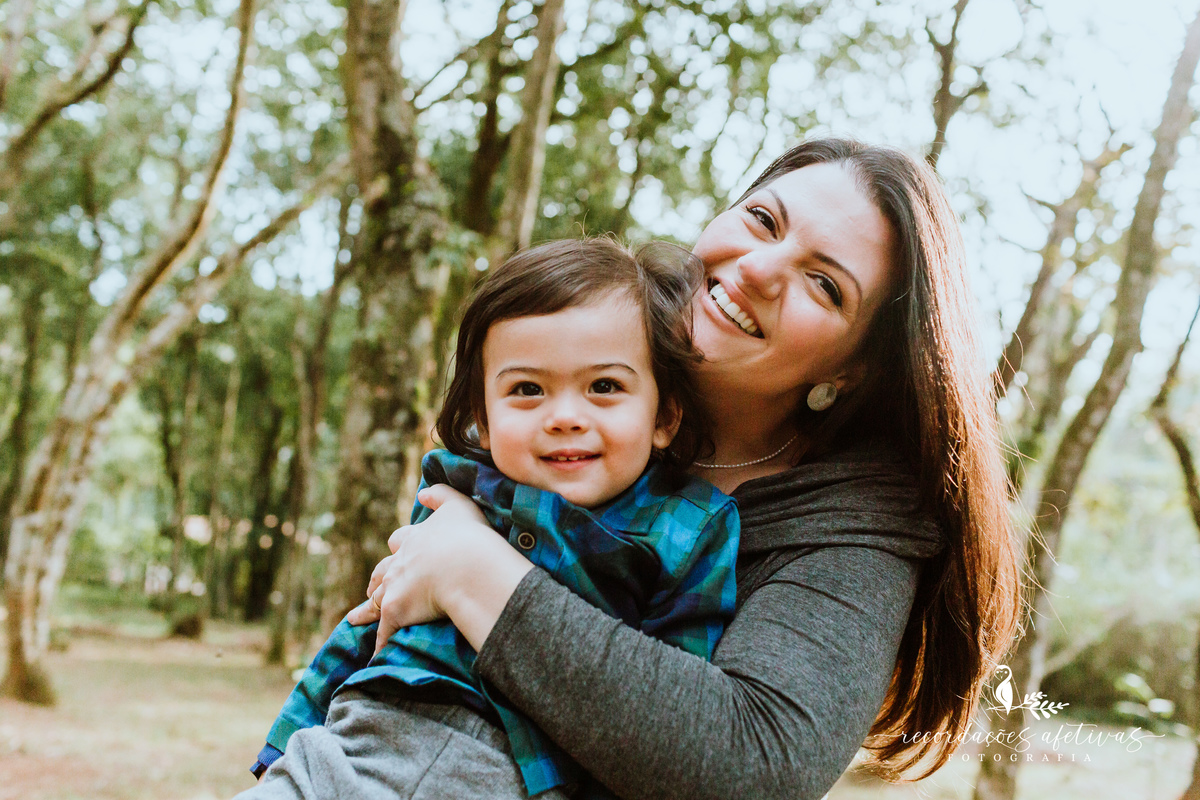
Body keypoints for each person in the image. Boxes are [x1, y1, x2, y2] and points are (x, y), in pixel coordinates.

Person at [349, 137, 1023, 799]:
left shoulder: (855, 529)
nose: (758, 268)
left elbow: (758, 764)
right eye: (763, 220)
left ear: (853, 369)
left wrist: (473, 571)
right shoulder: (573, 378)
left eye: (823, 285)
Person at [241, 238, 740, 799]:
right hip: (356, 742)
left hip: (518, 777)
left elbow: (675, 703)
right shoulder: (453, 492)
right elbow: (370, 618)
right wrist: (284, 746)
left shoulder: (687, 528)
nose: (565, 416)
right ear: (483, 413)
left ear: (664, 416)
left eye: (604, 387)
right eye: (527, 389)